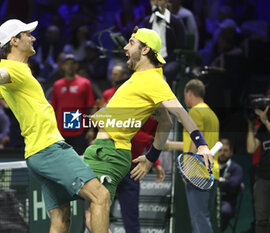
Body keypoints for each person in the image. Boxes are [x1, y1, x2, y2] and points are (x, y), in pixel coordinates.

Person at [0, 19, 110, 233]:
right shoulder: (13, 70)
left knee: (61, 220)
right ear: (14, 40)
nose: (33, 37)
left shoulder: (17, 75)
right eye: (28, 34)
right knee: (100, 195)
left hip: (36, 154)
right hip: (49, 149)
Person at [82, 27, 214, 232]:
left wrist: (202, 145)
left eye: (131, 43)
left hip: (110, 152)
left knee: (94, 209)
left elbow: (180, 114)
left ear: (145, 50)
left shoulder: (153, 80)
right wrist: (151, 156)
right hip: (101, 149)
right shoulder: (139, 79)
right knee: (89, 213)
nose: (125, 47)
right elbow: (166, 123)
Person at [99, 64, 165, 233]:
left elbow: (152, 138)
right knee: (99, 211)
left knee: (131, 216)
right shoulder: (110, 97)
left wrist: (155, 161)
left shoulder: (154, 110)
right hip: (110, 163)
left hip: (132, 165)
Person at [164, 79, 220, 233]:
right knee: (202, 217)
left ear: (189, 93)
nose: (185, 99)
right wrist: (170, 145)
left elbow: (196, 142)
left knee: (198, 219)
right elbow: (201, 144)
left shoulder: (195, 112)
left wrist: (187, 167)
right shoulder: (211, 114)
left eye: (184, 95)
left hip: (197, 173)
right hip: (211, 172)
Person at [51, 53, 96, 155]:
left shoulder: (85, 83)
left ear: (76, 66)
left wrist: (91, 129)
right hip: (60, 131)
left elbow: (92, 107)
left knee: (79, 158)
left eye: (72, 63)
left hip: (80, 131)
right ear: (63, 66)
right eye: (67, 63)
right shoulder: (57, 85)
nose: (70, 66)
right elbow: (53, 109)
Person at [142, 0, 186, 85]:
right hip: (150, 61)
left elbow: (181, 46)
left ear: (166, 2)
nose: (155, 3)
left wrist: (162, 61)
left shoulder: (176, 22)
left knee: (167, 71)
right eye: (153, 0)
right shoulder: (147, 22)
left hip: (170, 61)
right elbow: (143, 44)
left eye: (159, 0)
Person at [247, 104, 270, 233]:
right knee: (261, 220)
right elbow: (251, 148)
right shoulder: (263, 129)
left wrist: (265, 120)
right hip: (263, 178)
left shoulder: (266, 124)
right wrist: (250, 125)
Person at [218, 138, 243, 232]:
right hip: (210, 200)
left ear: (231, 152)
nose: (222, 153)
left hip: (227, 202)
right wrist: (223, 182)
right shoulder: (211, 166)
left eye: (225, 150)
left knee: (225, 211)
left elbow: (234, 185)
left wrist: (217, 182)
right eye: (220, 150)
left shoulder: (236, 168)